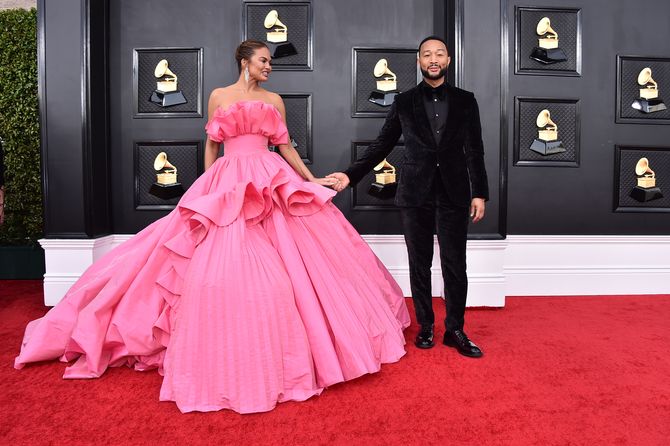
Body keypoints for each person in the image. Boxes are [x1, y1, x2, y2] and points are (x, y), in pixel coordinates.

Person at [15, 40, 410, 414]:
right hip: (227, 179)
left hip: (268, 176)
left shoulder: (274, 101)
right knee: (210, 257)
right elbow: (211, 145)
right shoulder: (219, 96)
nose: (269, 66)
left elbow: (286, 145)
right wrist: (208, 185)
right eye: (263, 60)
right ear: (245, 62)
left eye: (270, 61)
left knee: (295, 257)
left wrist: (308, 180)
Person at [328, 36, 489, 358]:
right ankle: (426, 326)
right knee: (419, 264)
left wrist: (480, 193)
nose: (433, 59)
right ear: (419, 62)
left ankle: (455, 329)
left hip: (455, 192)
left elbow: (475, 149)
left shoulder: (466, 100)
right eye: (427, 54)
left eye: (439, 54)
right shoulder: (404, 102)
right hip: (415, 192)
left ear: (448, 60)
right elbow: (382, 144)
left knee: (455, 264)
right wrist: (351, 174)